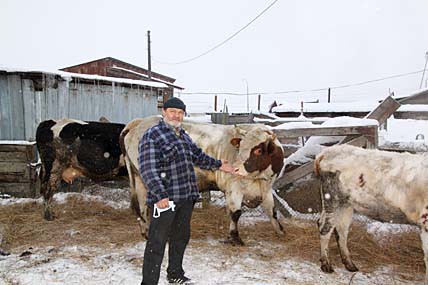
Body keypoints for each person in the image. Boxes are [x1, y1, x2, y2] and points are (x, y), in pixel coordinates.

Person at [138, 97, 236, 285]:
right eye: (173, 111)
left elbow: (197, 156)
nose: (177, 115)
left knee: (180, 237)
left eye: (181, 112)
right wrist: (160, 195)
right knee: (156, 242)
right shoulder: (152, 135)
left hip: (186, 196)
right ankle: (149, 282)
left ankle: (175, 274)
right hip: (165, 199)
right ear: (164, 112)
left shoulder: (181, 134)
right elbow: (148, 169)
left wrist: (219, 165)